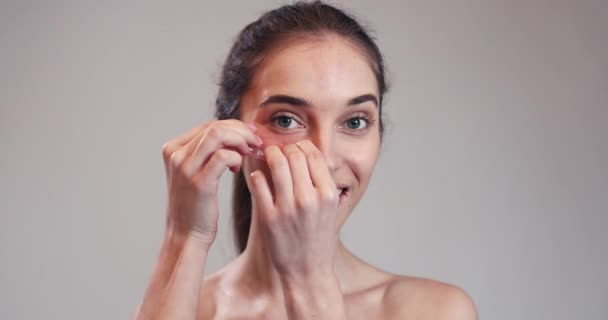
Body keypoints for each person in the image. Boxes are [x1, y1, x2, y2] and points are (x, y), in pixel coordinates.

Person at [135, 1, 477, 319]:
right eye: (286, 120)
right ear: (230, 130)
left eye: (355, 122)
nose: (325, 159)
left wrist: (308, 280)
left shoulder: (433, 311)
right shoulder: (183, 307)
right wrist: (184, 236)